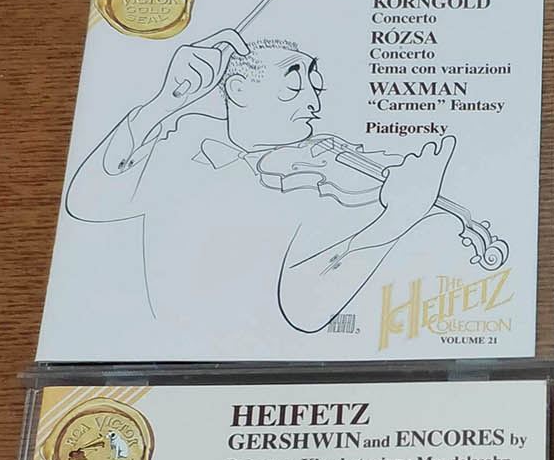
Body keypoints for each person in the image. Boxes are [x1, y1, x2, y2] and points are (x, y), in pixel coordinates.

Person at [64, 27, 459, 344]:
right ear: (238, 90)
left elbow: (307, 310)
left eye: (315, 86)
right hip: (158, 345)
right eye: (293, 85)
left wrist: (397, 218)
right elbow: (88, 202)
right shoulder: (188, 135)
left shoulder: (317, 186)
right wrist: (166, 101)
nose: (314, 103)